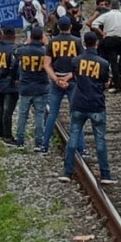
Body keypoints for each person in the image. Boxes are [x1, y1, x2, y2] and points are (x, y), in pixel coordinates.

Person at [58, 31, 117, 185]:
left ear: (84, 43)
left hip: (78, 103)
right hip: (96, 104)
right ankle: (105, 174)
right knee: (100, 140)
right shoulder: (103, 63)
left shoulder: (76, 61)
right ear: (96, 43)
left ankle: (67, 172)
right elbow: (105, 83)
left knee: (73, 137)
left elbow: (76, 77)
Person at [40, 15, 85, 155]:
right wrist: (70, 76)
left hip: (56, 80)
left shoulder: (52, 42)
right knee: (76, 115)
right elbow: (82, 64)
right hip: (72, 80)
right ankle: (82, 147)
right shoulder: (77, 41)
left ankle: (44, 145)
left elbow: (46, 65)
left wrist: (56, 79)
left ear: (58, 27)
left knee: (52, 114)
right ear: (70, 27)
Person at [13, 26, 50, 150]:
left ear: (30, 37)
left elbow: (14, 51)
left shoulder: (23, 51)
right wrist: (47, 43)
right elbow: (52, 55)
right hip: (40, 86)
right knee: (39, 115)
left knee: (23, 115)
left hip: (25, 86)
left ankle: (20, 140)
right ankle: (38, 142)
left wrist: (25, 42)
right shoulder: (45, 52)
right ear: (41, 38)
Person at [88, 0, 121, 93]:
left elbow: (94, 24)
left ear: (110, 6)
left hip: (109, 40)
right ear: (119, 7)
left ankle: (115, 84)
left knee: (112, 61)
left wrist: (102, 33)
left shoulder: (106, 15)